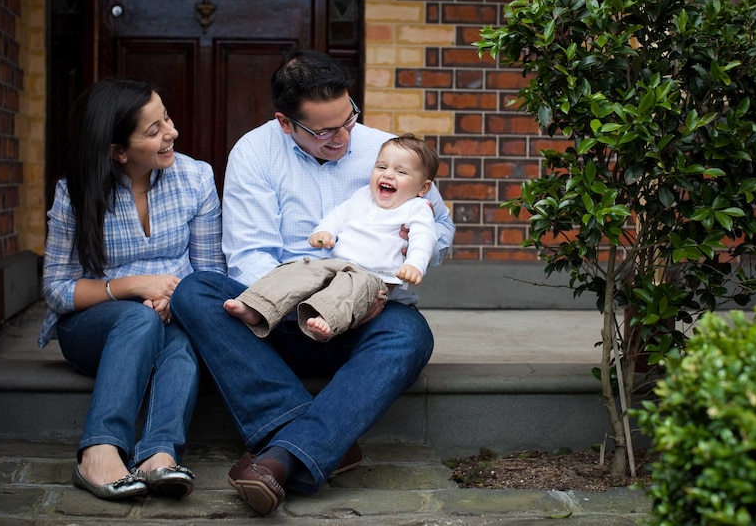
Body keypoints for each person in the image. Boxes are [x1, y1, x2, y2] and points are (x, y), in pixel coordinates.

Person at [170, 50, 455, 515]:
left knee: (410, 334)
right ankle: (320, 442)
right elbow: (248, 257)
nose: (343, 137)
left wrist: (412, 247)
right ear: (286, 123)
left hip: (368, 313)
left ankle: (281, 454)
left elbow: (440, 229)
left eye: (348, 119)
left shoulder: (390, 153)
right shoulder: (255, 152)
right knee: (196, 291)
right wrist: (307, 302)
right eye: (324, 131)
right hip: (282, 322)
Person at [38, 77, 225, 500]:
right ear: (117, 151)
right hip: (93, 328)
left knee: (182, 341)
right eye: (153, 130)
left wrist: (176, 299)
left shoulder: (195, 179)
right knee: (140, 319)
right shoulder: (75, 193)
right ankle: (99, 451)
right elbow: (56, 289)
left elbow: (210, 271)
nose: (171, 133)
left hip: (174, 312)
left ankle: (159, 454)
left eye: (168, 119)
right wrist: (130, 287)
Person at [223, 134, 440, 342]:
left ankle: (326, 320)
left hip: (374, 276)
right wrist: (325, 231)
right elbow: (339, 214)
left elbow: (424, 237)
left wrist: (414, 264)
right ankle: (258, 307)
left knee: (347, 292)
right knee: (299, 270)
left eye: (401, 172)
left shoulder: (417, 208)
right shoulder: (364, 195)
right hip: (337, 264)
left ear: (423, 188)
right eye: (381, 167)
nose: (388, 175)